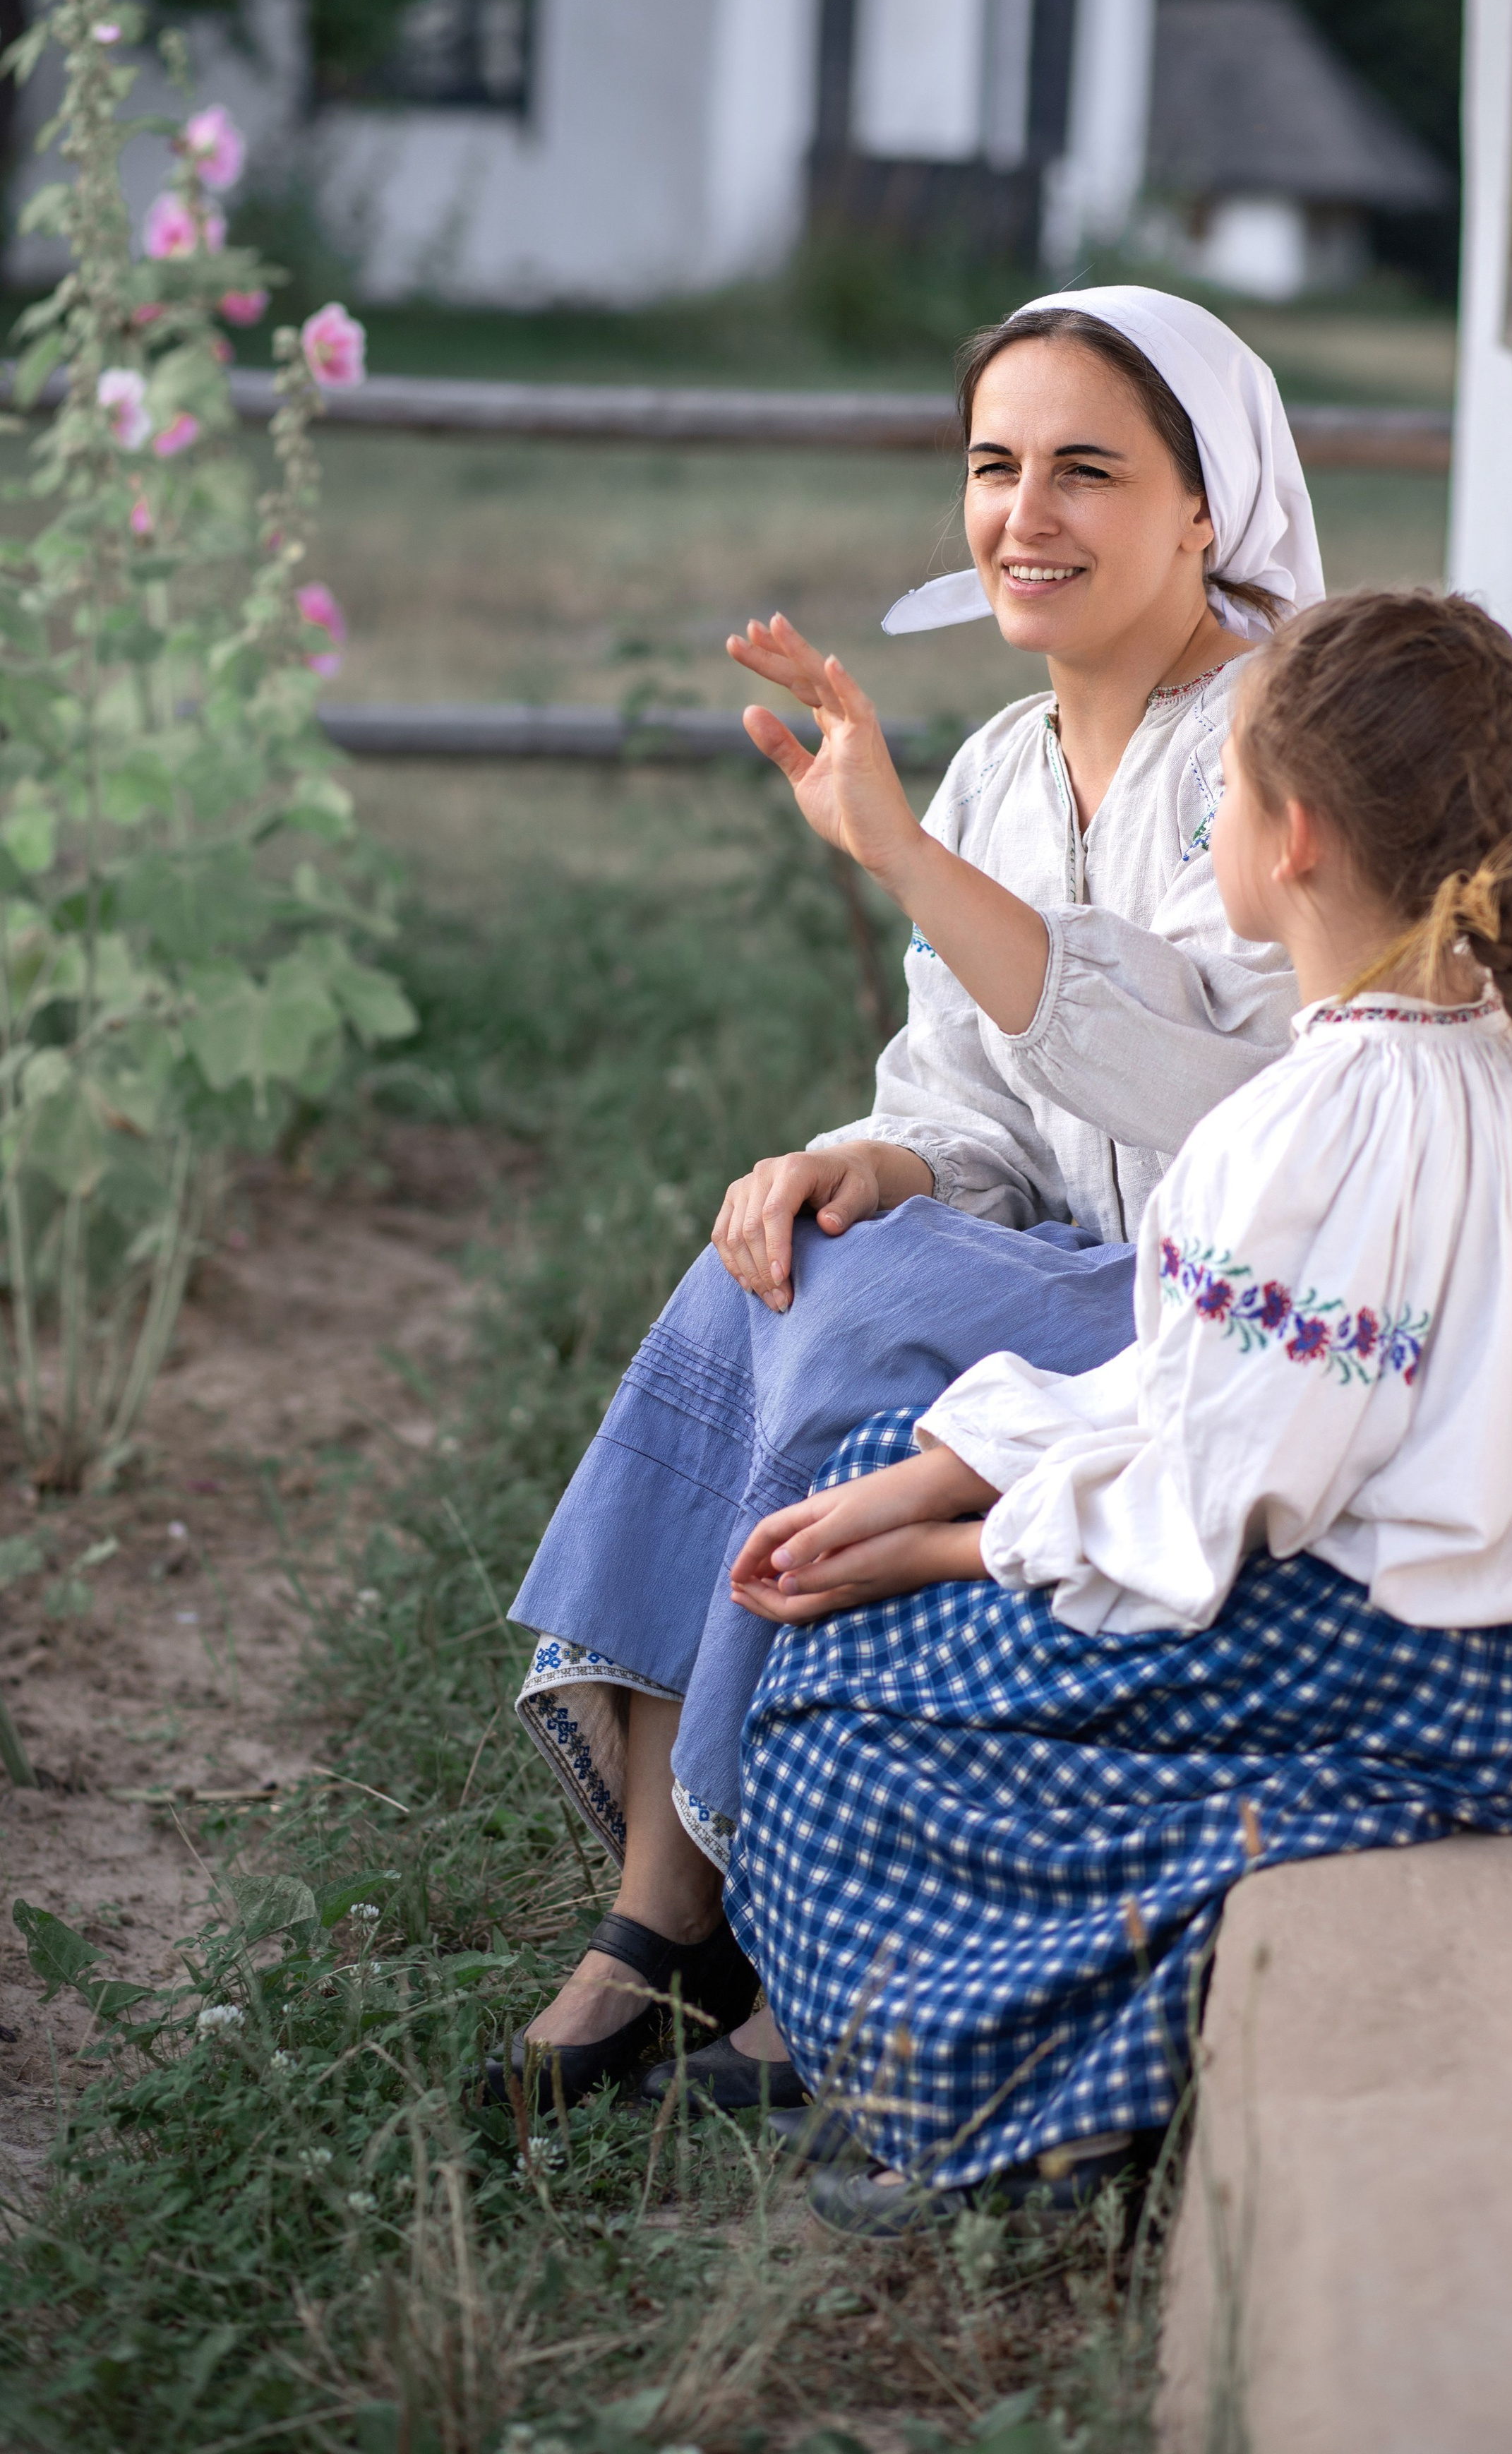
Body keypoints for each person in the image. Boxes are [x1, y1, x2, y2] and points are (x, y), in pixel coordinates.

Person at [721, 588, 1512, 2232]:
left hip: (1397, 1660)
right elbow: (1220, 1388)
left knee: (842, 1709)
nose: (1210, 835)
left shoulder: (1302, 1129)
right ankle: (1016, 2050)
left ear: (1292, 838)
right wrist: (940, 1474)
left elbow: (1207, 1500)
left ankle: (990, 2102)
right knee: (884, 1464)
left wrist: (940, 1554)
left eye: (1223, 800)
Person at [485, 288, 1324, 2114]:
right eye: (993, 464)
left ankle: (777, 1906)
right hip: (1075, 1267)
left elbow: (1224, 1089)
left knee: (862, 1313)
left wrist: (904, 861)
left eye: (1086, 468)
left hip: (1239, 1302)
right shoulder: (1005, 767)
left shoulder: (1279, 750)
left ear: (1207, 507)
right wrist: (871, 1164)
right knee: (789, 1263)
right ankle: (662, 1908)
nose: (1025, 513)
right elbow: (973, 1108)